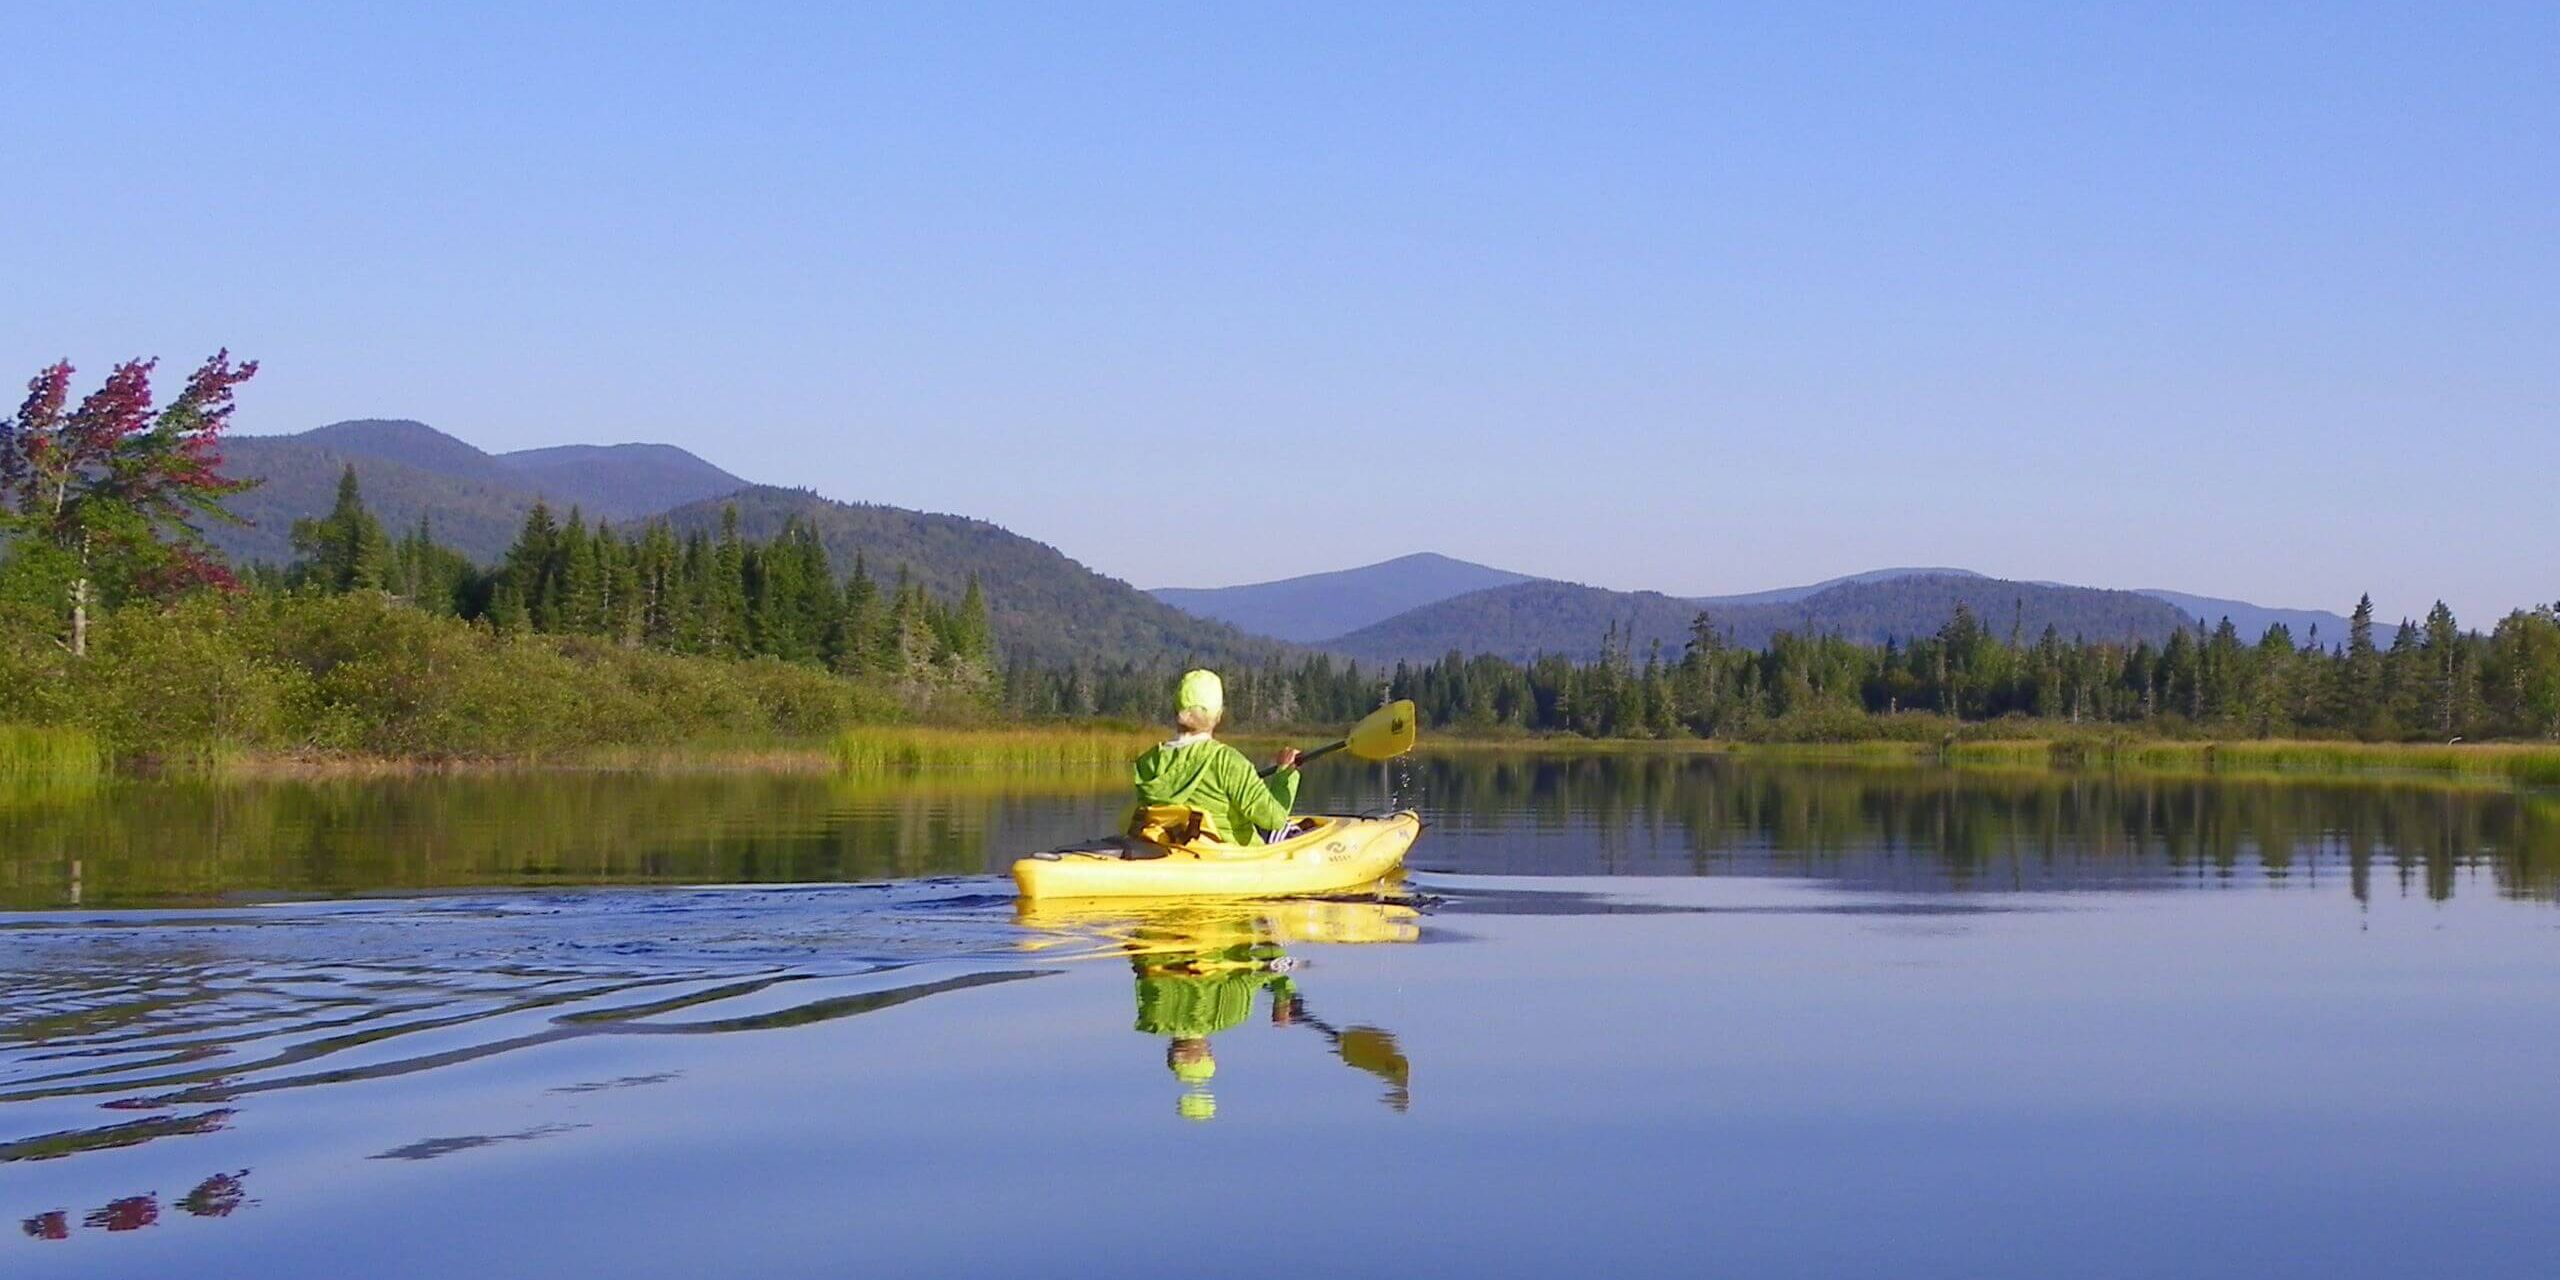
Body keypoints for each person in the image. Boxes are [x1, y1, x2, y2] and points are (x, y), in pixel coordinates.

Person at [1130, 669, 1300, 845]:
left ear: (1176, 711)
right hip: (1232, 858)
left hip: (1177, 852)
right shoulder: (1228, 762)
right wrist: (1285, 775)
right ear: (1218, 716)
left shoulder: (1147, 762)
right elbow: (1275, 819)